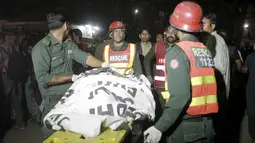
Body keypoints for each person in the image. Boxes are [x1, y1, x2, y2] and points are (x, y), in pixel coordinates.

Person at [31, 9, 114, 140]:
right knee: (53, 136)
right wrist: (71, 77)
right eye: (69, 25)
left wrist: (103, 64)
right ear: (65, 25)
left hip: (72, 97)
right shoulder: (41, 49)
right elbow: (43, 79)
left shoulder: (67, 44)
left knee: (72, 136)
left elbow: (84, 57)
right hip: (54, 101)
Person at [144, 1, 218, 143]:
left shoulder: (178, 52)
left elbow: (180, 96)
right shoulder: (203, 50)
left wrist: (159, 127)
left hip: (185, 128)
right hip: (206, 125)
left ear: (176, 24)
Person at [143, 26, 178, 111]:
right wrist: (148, 74)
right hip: (161, 85)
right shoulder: (158, 46)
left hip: (177, 84)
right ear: (165, 34)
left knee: (176, 108)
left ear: (177, 34)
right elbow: (147, 59)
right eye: (168, 32)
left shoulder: (181, 46)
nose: (171, 34)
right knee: (165, 108)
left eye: (173, 32)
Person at [202, 13, 230, 100]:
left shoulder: (216, 40)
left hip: (216, 92)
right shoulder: (210, 39)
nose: (201, 26)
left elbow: (219, 68)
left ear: (212, 26)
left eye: (204, 23)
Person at [243, 44, 255, 143]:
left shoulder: (250, 56)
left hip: (252, 87)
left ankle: (253, 135)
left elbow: (245, 70)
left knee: (251, 111)